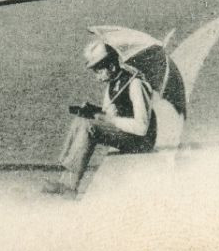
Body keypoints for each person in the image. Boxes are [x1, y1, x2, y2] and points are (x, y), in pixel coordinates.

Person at [45, 39, 157, 196]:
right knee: (82, 120)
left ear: (111, 66)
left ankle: (71, 186)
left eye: (98, 71)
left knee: (89, 127)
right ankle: (64, 178)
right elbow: (108, 114)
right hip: (125, 133)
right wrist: (92, 111)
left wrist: (107, 119)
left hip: (141, 141)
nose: (96, 76)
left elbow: (141, 127)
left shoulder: (135, 84)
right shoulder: (112, 85)